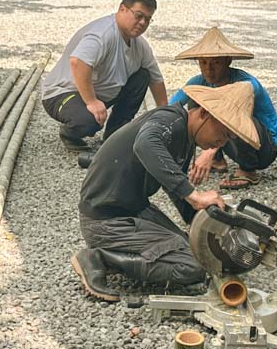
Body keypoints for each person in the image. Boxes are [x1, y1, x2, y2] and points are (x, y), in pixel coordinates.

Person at [71, 82, 260, 302]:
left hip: (133, 209)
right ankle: (100, 258)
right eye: (224, 133)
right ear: (203, 113)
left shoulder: (185, 138)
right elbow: (145, 144)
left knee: (197, 252)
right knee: (192, 267)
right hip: (105, 220)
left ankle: (119, 254)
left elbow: (174, 186)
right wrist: (195, 194)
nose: (222, 142)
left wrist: (206, 223)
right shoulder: (169, 120)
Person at [42, 0, 168, 153]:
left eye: (147, 19)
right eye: (138, 16)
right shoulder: (103, 33)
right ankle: (70, 133)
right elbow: (78, 62)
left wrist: (165, 115)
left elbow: (155, 79)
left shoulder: (140, 45)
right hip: (62, 93)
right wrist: (91, 102)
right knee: (88, 121)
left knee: (142, 76)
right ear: (122, 9)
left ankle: (114, 135)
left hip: (100, 93)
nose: (142, 23)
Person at [169, 27, 277, 191]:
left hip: (264, 147)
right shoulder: (197, 82)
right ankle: (218, 161)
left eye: (216, 63)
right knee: (196, 104)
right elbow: (171, 110)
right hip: (227, 140)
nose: (209, 69)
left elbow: (231, 119)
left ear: (227, 61)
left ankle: (248, 169)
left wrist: (207, 153)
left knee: (232, 114)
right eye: (204, 63)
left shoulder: (247, 84)